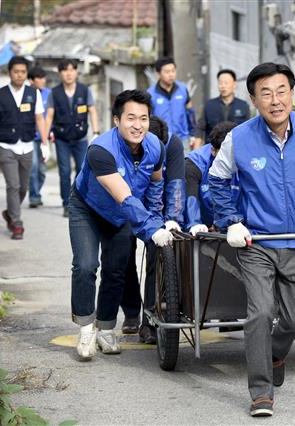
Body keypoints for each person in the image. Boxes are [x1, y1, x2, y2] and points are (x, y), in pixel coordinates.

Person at [208, 63, 295, 417]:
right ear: (253, 99)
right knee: (260, 313)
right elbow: (217, 182)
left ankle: (273, 352)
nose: (275, 100)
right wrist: (232, 222)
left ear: (293, 93)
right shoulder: (239, 137)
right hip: (258, 244)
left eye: (281, 90)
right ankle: (260, 392)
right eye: (265, 93)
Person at [69, 90, 173, 361]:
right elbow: (123, 195)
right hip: (88, 208)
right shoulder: (100, 150)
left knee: (115, 271)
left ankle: (105, 328)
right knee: (86, 265)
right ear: (116, 120)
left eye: (144, 118)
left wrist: (158, 219)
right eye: (130, 118)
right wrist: (151, 228)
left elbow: (156, 184)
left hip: (123, 214)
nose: (137, 125)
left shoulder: (156, 147)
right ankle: (85, 327)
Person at [120, 116, 186, 343]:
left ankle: (150, 319)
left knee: (155, 260)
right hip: (127, 202)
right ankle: (130, 311)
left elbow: (176, 183)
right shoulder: (127, 143)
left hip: (157, 205)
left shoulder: (173, 144)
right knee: (124, 258)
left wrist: (172, 220)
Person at [0, 56, 49, 240]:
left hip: (27, 146)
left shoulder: (34, 94)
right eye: (16, 71)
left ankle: (11, 211)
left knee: (23, 187)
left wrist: (44, 142)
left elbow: (40, 119)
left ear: (27, 74)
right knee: (13, 185)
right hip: (5, 145)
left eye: (22, 72)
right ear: (9, 72)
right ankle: (17, 224)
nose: (19, 75)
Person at [45, 58, 100, 218]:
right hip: (62, 138)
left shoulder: (84, 90)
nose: (69, 73)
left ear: (76, 72)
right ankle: (66, 204)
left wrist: (96, 132)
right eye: (65, 70)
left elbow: (93, 110)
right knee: (64, 171)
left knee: (82, 170)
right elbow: (49, 116)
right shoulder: (54, 93)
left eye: (71, 70)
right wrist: (44, 140)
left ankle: (80, 201)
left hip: (81, 137)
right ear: (60, 73)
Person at [185, 121, 238, 236]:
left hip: (234, 222)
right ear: (213, 151)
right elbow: (190, 197)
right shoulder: (194, 163)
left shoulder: (245, 158)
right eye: (224, 154)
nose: (230, 160)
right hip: (203, 223)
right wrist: (194, 223)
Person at [147, 57, 196, 154]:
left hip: (182, 138)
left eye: (173, 71)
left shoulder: (182, 89)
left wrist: (193, 134)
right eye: (167, 71)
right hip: (160, 140)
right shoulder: (151, 93)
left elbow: (190, 111)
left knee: (184, 167)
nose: (171, 74)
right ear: (158, 73)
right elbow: (148, 118)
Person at [194, 69, 249, 145]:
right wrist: (195, 150)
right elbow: (200, 128)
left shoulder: (243, 105)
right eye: (220, 83)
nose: (223, 86)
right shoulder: (209, 105)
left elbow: (248, 130)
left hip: (236, 148)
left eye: (226, 83)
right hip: (213, 149)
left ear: (234, 84)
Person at [27, 66, 51, 208]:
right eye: (39, 78)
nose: (43, 80)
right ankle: (34, 197)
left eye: (44, 78)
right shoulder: (26, 94)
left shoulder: (49, 94)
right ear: (31, 80)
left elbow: (51, 116)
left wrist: (49, 135)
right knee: (34, 167)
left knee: (42, 170)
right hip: (29, 137)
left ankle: (36, 191)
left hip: (44, 138)